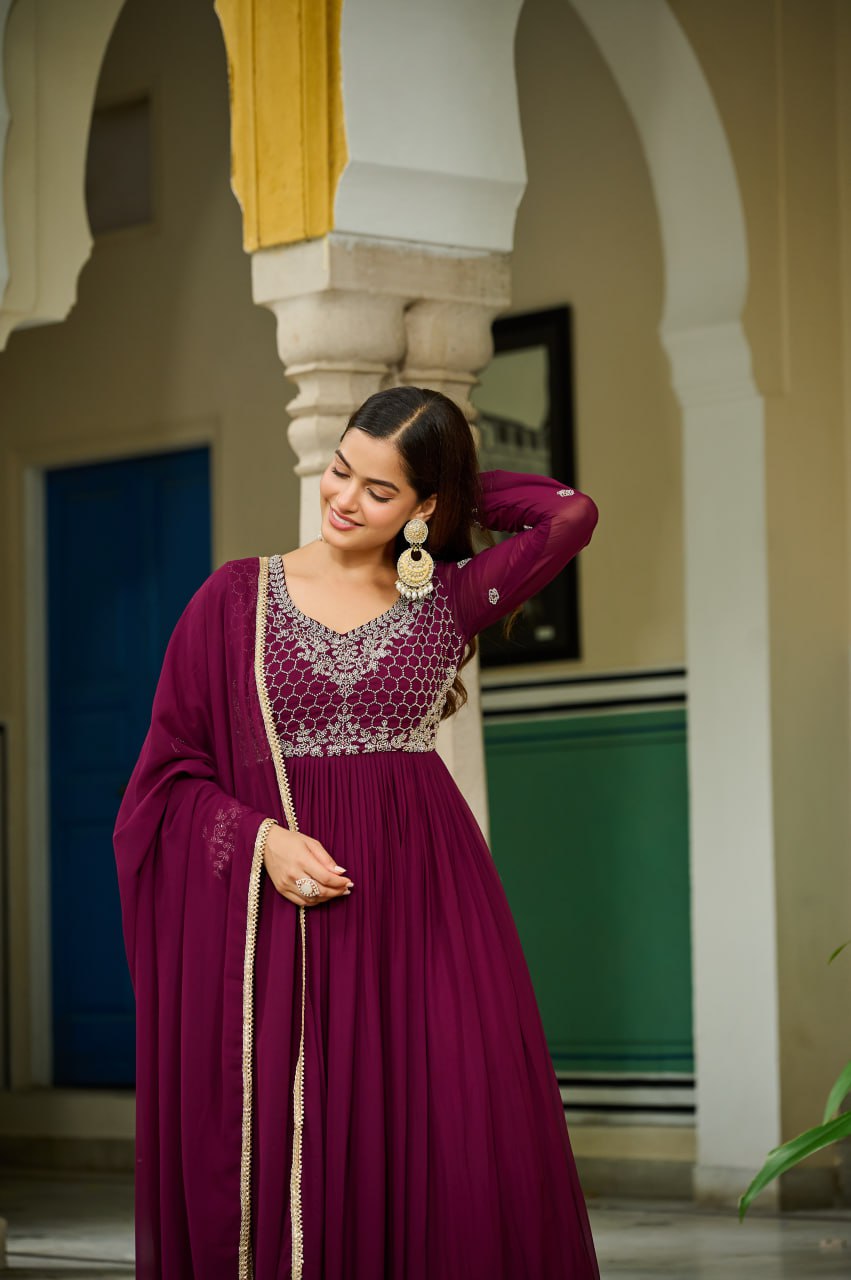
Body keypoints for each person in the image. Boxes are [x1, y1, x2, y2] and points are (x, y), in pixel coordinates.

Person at [114, 385, 601, 1280]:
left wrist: (455, 488)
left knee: (447, 1123)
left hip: (430, 911)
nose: (343, 499)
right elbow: (167, 775)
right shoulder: (235, 600)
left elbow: (569, 516)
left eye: (380, 491)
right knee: (299, 1134)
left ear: (426, 508)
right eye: (342, 469)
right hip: (290, 909)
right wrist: (261, 839)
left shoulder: (453, 596)